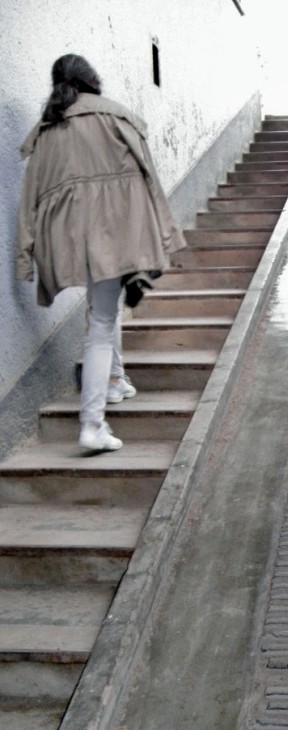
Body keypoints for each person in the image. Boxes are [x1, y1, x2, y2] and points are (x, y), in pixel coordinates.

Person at [16, 54, 185, 453]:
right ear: (92, 81)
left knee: (101, 307)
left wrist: (25, 257)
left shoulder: (47, 131)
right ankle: (92, 423)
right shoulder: (117, 119)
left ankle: (114, 380)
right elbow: (150, 183)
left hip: (68, 239)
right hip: (114, 232)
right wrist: (162, 234)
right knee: (102, 320)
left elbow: (27, 202)